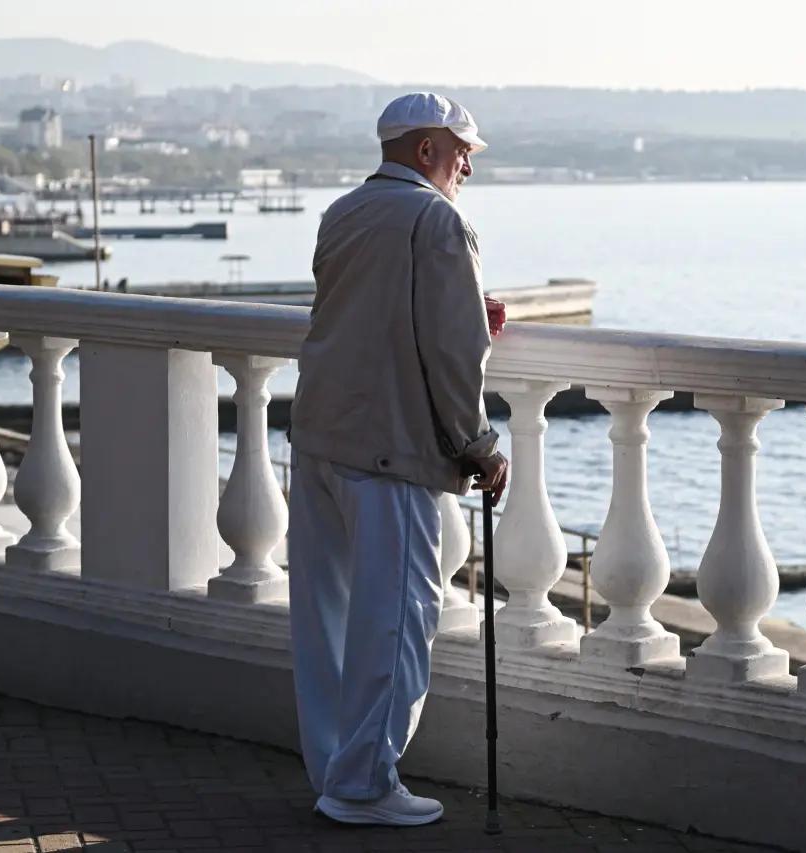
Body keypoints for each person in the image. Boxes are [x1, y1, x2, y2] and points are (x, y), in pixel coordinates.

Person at [287, 92, 509, 828]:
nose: (468, 164)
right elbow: (452, 352)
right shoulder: (437, 220)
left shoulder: (342, 214)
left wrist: (468, 308)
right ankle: (364, 787)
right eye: (461, 149)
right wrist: (476, 446)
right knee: (394, 622)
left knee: (325, 619)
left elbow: (365, 314)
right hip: (391, 447)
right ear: (425, 151)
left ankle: (334, 771)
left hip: (320, 433)